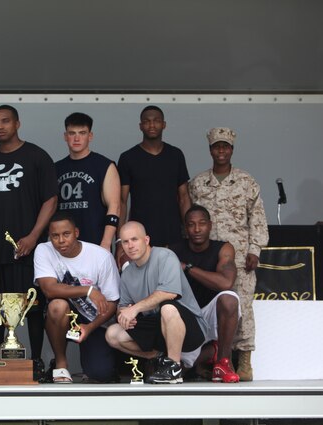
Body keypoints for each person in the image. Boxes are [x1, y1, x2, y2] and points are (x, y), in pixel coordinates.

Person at [0, 105, 58, 373]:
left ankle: (38, 360)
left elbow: (50, 200)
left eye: (6, 121)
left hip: (27, 250)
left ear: (17, 123)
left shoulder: (37, 156)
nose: (0, 127)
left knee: (32, 308)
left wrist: (33, 237)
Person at [189, 127, 269, 381]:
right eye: (216, 146)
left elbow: (257, 219)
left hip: (239, 257)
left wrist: (255, 250)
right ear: (210, 149)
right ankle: (210, 358)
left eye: (225, 146)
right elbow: (191, 219)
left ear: (232, 150)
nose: (221, 151)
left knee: (242, 304)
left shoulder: (246, 181)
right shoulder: (198, 183)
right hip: (207, 256)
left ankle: (244, 359)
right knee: (208, 306)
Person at [105, 222, 207, 384]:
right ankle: (158, 357)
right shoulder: (127, 274)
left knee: (167, 307)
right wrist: (125, 316)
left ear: (146, 240)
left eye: (134, 239)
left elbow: (169, 293)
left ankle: (173, 368)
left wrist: (135, 309)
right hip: (158, 328)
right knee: (112, 334)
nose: (130, 246)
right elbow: (123, 307)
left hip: (190, 330)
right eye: (125, 242)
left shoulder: (165, 256)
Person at [34, 212, 120, 383]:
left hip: (95, 320)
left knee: (100, 373)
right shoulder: (44, 250)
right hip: (64, 314)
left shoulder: (101, 257)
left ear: (76, 233)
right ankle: (60, 363)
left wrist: (90, 327)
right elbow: (49, 290)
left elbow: (112, 302)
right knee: (57, 306)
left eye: (66, 234)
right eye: (55, 236)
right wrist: (88, 290)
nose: (61, 240)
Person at [170, 205, 241, 383]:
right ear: (185, 228)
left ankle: (223, 362)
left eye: (202, 223)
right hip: (186, 317)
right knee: (175, 372)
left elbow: (226, 282)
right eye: (191, 224)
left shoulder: (223, 248)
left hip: (211, 315)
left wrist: (187, 268)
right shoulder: (172, 251)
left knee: (229, 299)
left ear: (210, 225)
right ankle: (210, 352)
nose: (197, 229)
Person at [117, 106, 191, 249]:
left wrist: (189, 232)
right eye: (147, 121)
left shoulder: (175, 155)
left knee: (172, 271)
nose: (151, 125)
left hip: (173, 234)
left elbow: (184, 197)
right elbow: (122, 202)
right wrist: (121, 240)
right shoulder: (128, 158)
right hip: (139, 235)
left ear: (164, 124)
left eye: (156, 121)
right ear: (140, 126)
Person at [55, 112, 120, 250]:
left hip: (95, 244)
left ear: (90, 136)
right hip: (62, 246)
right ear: (65, 136)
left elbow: (114, 206)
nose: (77, 138)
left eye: (82, 133)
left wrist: (106, 243)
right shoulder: (55, 168)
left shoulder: (104, 165)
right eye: (72, 133)